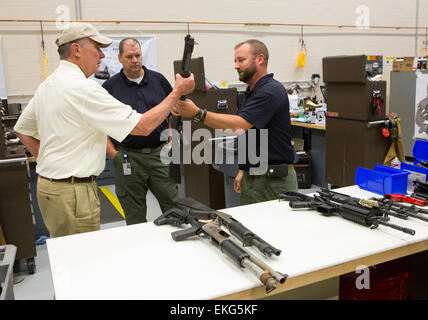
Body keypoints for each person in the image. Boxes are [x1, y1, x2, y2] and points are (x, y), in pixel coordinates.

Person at [13, 22, 194, 238]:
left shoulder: (49, 84)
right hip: (74, 193)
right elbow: (142, 126)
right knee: (82, 257)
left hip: (52, 188)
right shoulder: (84, 88)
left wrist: (50, 164)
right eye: (96, 48)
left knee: (70, 256)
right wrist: (177, 92)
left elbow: (22, 129)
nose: (100, 55)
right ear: (76, 50)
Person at [176, 39, 297, 205]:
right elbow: (250, 134)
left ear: (260, 59)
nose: (236, 66)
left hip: (274, 182)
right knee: (251, 229)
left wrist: (197, 113)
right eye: (235, 61)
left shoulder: (271, 91)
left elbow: (240, 124)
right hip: (254, 177)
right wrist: (244, 169)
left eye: (241, 60)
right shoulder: (252, 92)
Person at [102, 38, 179, 225]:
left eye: (137, 55)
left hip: (159, 155)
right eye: (129, 56)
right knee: (134, 213)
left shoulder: (158, 81)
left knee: (174, 207)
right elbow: (100, 126)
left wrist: (170, 140)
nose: (134, 60)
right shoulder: (110, 88)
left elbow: (172, 112)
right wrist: (114, 154)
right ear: (120, 58)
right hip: (128, 158)